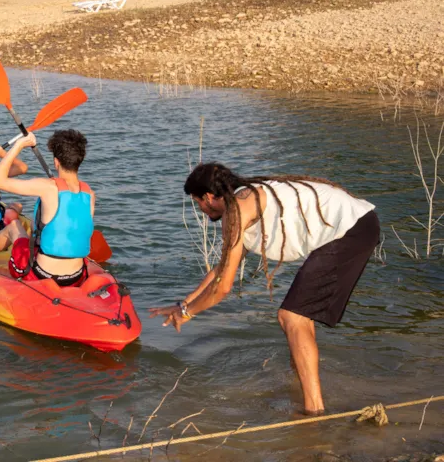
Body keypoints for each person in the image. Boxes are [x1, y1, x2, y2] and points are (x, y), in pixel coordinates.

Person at [151, 163, 379, 415]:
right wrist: (184, 304)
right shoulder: (244, 200)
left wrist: (188, 314)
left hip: (351, 231)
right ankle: (299, 387)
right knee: (298, 316)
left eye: (198, 203)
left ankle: (314, 412)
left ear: (207, 197)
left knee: (291, 316)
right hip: (357, 226)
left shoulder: (237, 209)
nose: (201, 211)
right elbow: (221, 269)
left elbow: (223, 288)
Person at [0, 130, 95, 287]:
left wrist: (19, 145)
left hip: (43, 274)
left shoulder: (47, 186)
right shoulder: (90, 194)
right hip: (76, 276)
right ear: (81, 159)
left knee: (14, 226)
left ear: (56, 162)